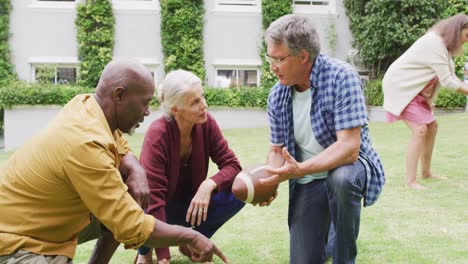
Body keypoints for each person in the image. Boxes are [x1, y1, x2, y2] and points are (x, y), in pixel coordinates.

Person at [0, 60, 227, 264]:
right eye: (144, 103)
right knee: (123, 209)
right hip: (16, 242)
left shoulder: (85, 106)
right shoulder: (85, 143)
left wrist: (136, 168)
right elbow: (130, 224)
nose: (148, 112)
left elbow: (119, 144)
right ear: (119, 95)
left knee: (126, 194)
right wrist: (190, 235)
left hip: (50, 228)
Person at [259, 14, 385, 264]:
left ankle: (343, 257)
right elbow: (277, 149)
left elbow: (349, 148)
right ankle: (326, 233)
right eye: (269, 58)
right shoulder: (277, 95)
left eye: (279, 59)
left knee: (340, 180)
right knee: (304, 259)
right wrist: (270, 180)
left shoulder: (342, 77)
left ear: (303, 56)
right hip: (308, 179)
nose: (272, 66)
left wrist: (299, 169)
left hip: (349, 168)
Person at [135, 69, 245, 264]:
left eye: (201, 97)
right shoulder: (157, 135)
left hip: (191, 206)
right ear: (176, 109)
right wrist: (163, 256)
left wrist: (209, 184)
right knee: (143, 206)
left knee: (240, 190)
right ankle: (145, 251)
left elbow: (232, 165)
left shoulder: (206, 123)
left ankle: (193, 242)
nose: (204, 105)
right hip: (160, 208)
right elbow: (155, 201)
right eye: (195, 102)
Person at [382, 14, 468, 189]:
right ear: (456, 31)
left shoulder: (444, 48)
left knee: (432, 127)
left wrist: (430, 100)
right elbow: (448, 82)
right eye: (466, 36)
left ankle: (426, 173)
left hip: (414, 91)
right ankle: (410, 181)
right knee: (420, 130)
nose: (466, 41)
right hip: (400, 87)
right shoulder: (434, 43)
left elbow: (446, 77)